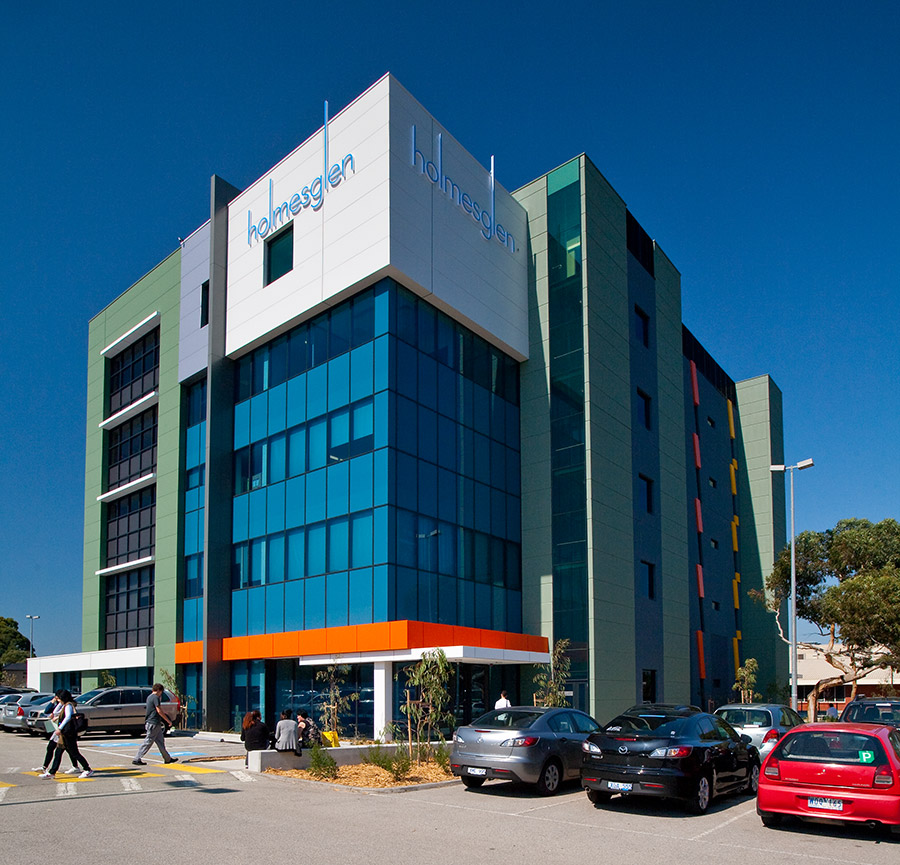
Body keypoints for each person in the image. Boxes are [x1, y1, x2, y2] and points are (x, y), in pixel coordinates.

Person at [39, 690, 93, 779]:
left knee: (74, 753)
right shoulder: (64, 705)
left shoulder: (68, 706)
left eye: (59, 698)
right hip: (64, 734)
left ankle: (88, 769)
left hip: (69, 733)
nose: (58, 700)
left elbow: (68, 717)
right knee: (58, 752)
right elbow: (52, 711)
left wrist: (60, 728)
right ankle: (52, 772)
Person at [32, 694, 80, 775]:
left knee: (69, 751)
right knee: (56, 749)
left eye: (57, 697)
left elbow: (67, 717)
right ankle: (47, 768)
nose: (56, 699)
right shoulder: (62, 705)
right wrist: (53, 702)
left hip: (64, 731)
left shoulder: (69, 706)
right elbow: (50, 711)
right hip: (58, 730)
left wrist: (59, 726)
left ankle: (83, 768)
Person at [133, 683, 178, 766]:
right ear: (159, 691)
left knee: (160, 742)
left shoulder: (149, 697)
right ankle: (137, 758)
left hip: (154, 723)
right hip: (153, 723)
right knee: (148, 741)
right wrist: (168, 720)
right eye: (161, 692)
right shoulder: (155, 697)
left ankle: (167, 758)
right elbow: (159, 710)